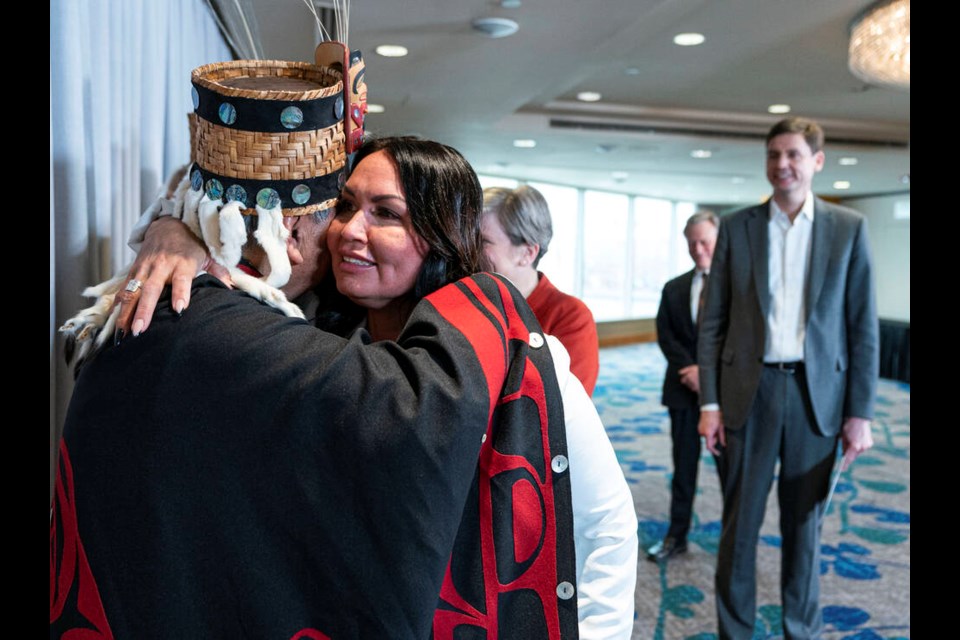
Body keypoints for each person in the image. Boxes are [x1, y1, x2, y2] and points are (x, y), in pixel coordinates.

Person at [56, 134, 638, 638]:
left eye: (386, 214)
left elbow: (604, 524)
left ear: (439, 234)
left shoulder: (517, 361)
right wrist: (174, 233)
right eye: (344, 207)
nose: (349, 232)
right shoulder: (307, 327)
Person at [697, 116, 879, 639]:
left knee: (805, 529)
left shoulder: (848, 229)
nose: (783, 165)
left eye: (794, 155)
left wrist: (860, 414)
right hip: (745, 397)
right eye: (774, 154)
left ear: (816, 162)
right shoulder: (737, 227)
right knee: (739, 526)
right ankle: (736, 631)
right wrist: (709, 404)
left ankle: (801, 630)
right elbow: (714, 322)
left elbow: (861, 328)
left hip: (816, 398)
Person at [645, 210, 721, 562]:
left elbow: (739, 341)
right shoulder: (674, 287)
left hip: (724, 395)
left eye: (705, 241)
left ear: (718, 240)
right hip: (682, 389)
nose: (699, 249)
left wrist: (707, 375)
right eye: (692, 243)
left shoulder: (737, 286)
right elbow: (666, 335)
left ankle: (734, 541)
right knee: (684, 467)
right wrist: (688, 369)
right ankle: (677, 536)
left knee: (730, 471)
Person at [481, 186, 600, 395]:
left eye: (482, 242)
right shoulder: (465, 301)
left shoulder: (570, 316)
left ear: (527, 253)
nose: (467, 249)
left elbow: (562, 407)